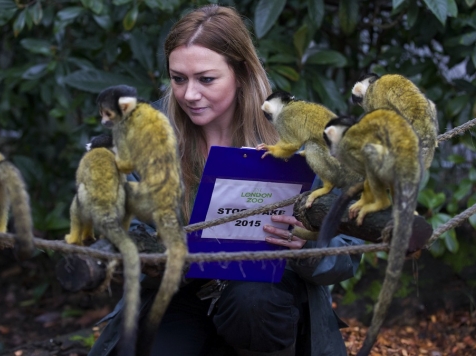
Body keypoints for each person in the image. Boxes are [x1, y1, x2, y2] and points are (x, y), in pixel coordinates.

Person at [89, 5, 362, 356]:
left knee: (254, 302)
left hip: (265, 294)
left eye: (206, 79)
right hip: (179, 291)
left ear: (241, 73)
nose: (189, 94)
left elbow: (349, 254)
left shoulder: (295, 131)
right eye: (178, 78)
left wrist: (307, 249)